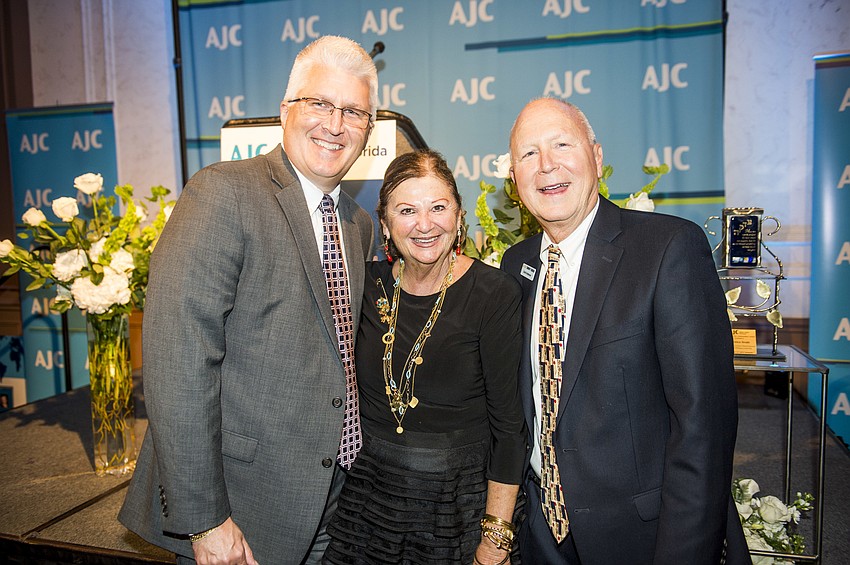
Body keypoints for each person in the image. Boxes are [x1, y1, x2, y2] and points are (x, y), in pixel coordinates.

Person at [119, 35, 377, 564]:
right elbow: (177, 363)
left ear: (368, 130)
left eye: (353, 111)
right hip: (238, 510)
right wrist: (205, 519)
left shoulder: (358, 224)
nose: (335, 124)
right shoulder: (223, 194)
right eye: (320, 104)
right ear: (285, 111)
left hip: (332, 500)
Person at [500, 98, 750, 564]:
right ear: (514, 179)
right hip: (541, 535)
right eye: (528, 154)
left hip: (644, 539)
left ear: (596, 157)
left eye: (561, 144)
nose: (546, 164)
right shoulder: (517, 265)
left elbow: (704, 429)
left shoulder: (668, 248)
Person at [323, 149, 527, 565]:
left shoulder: (493, 294)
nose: (425, 224)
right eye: (406, 210)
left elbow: (509, 430)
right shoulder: (367, 287)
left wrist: (494, 541)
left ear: (458, 215)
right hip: (370, 504)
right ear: (384, 223)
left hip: (459, 509)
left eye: (438, 207)